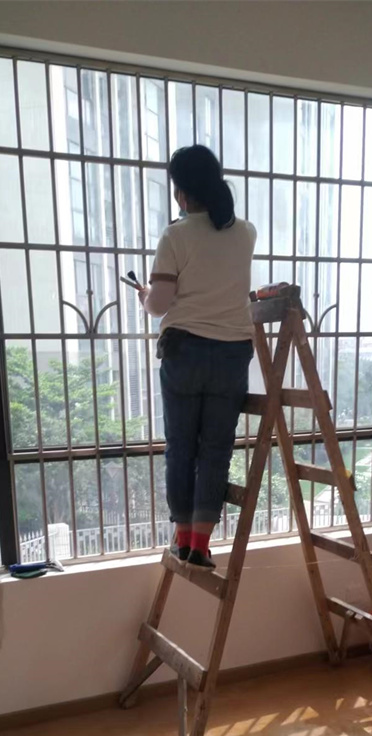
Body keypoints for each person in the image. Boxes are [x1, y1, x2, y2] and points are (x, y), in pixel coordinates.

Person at [137, 145, 257, 570]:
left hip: (184, 349)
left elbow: (159, 305)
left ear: (182, 192)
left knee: (181, 448)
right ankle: (201, 546)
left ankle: (183, 541)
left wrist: (145, 295)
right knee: (216, 449)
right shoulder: (246, 232)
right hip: (233, 352)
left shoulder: (176, 235)